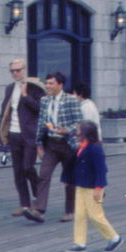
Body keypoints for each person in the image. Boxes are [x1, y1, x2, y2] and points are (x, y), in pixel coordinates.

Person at [25, 71, 82, 223]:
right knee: (43, 174)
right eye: (47, 83)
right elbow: (41, 123)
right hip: (51, 144)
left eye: (51, 83)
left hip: (68, 144)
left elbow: (79, 123)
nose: (47, 86)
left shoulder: (71, 100)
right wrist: (38, 144)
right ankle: (39, 210)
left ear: (60, 85)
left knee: (69, 179)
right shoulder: (44, 100)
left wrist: (67, 130)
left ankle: (70, 211)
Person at [64, 120, 123, 252]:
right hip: (81, 185)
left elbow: (101, 170)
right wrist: (69, 179)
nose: (76, 132)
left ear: (85, 132)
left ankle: (114, 238)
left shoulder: (95, 149)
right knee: (79, 215)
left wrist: (98, 188)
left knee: (96, 215)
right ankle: (79, 242)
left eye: (79, 129)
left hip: (93, 187)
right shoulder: (82, 146)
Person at [0, 58, 46, 217]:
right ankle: (24, 204)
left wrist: (25, 96)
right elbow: (5, 111)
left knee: (28, 167)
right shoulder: (10, 88)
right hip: (14, 134)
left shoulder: (35, 88)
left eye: (18, 70)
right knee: (18, 172)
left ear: (24, 69)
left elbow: (41, 109)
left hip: (30, 136)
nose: (15, 73)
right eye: (12, 71)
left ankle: (38, 199)